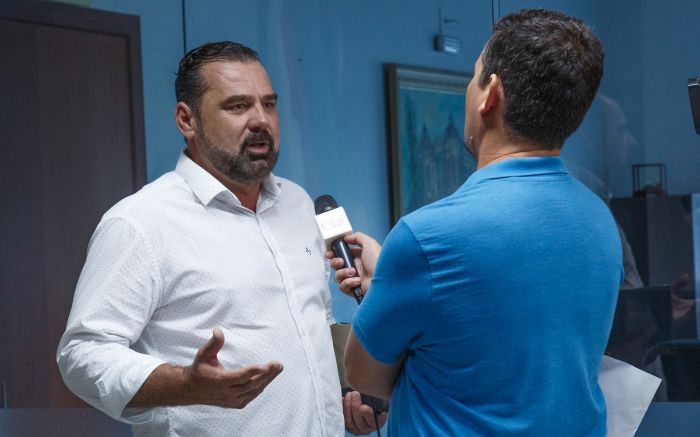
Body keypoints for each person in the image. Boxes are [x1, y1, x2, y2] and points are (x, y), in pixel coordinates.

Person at [57, 41, 385, 436]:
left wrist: (344, 396)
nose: (261, 120)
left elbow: (313, 322)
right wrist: (185, 385)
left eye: (269, 104)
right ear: (187, 120)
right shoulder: (140, 222)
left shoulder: (298, 203)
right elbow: (82, 354)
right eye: (238, 106)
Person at [329, 9, 623, 436]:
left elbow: (364, 376)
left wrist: (393, 277)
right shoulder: (600, 221)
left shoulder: (427, 238)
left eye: (473, 77)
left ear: (491, 94)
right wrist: (393, 281)